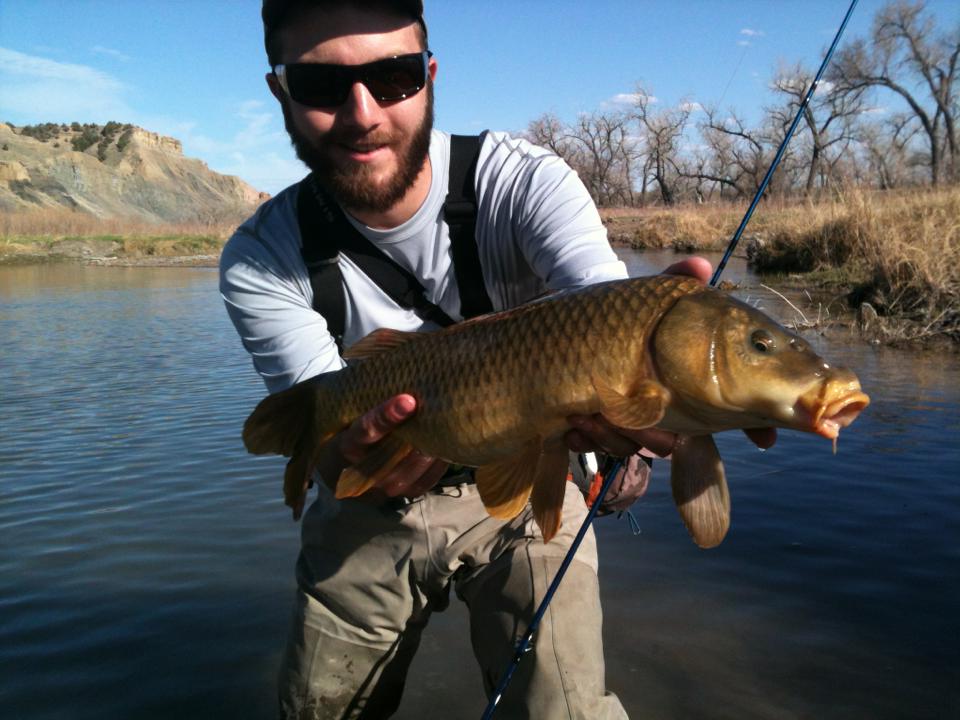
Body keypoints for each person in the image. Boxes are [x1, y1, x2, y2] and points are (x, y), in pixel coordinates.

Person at [220, 2, 775, 718]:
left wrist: (654, 381)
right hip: (368, 504)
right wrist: (341, 459)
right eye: (322, 84)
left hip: (533, 476)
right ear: (280, 92)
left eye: (392, 76)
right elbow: (323, 442)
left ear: (429, 75)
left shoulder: (526, 182)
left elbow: (603, 305)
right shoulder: (260, 259)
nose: (362, 113)